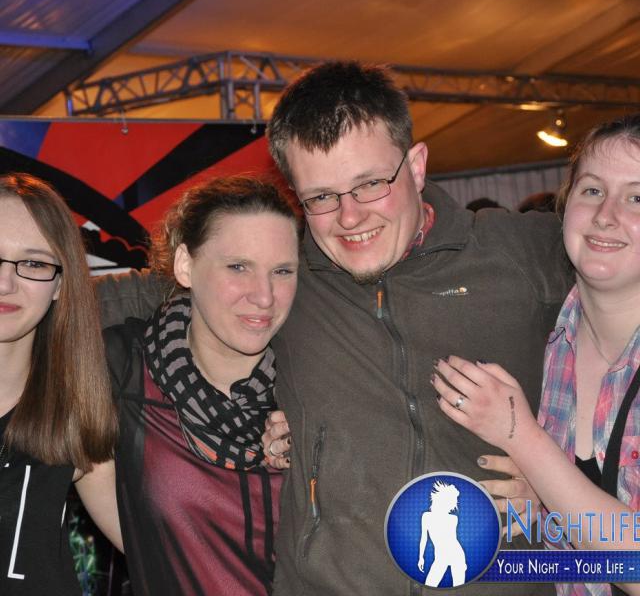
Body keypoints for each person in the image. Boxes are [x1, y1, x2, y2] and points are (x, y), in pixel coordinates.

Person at [98, 62, 570, 596]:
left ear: (416, 167)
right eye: (322, 197)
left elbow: (623, 493)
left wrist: (559, 487)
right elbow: (143, 290)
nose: (349, 217)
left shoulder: (521, 253)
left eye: (370, 184)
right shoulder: (287, 275)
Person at [432, 114, 640, 596]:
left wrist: (522, 437)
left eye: (637, 198)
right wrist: (545, 512)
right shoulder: (540, 339)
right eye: (592, 190)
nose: (605, 214)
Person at [102, 177, 300, 596]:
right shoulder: (122, 372)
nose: (265, 296)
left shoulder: (318, 382)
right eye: (238, 267)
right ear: (185, 265)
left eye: (282, 271)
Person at [0, 173, 121, 596]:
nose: (5, 283)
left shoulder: (75, 414)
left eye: (34, 263)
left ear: (60, 284)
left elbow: (168, 557)